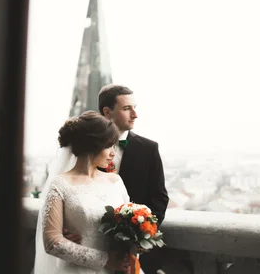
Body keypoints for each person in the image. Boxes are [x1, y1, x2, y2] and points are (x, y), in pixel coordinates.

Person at [34, 111, 136, 274]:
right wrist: (105, 260)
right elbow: (52, 242)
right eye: (108, 146)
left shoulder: (116, 182)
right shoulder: (60, 184)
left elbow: (129, 226)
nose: (113, 153)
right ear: (92, 145)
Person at [97, 84, 169, 274]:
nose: (135, 114)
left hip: (138, 253)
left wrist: (141, 236)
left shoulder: (149, 148)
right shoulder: (89, 148)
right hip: (95, 246)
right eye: (127, 108)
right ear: (107, 112)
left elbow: (159, 198)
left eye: (135, 107)